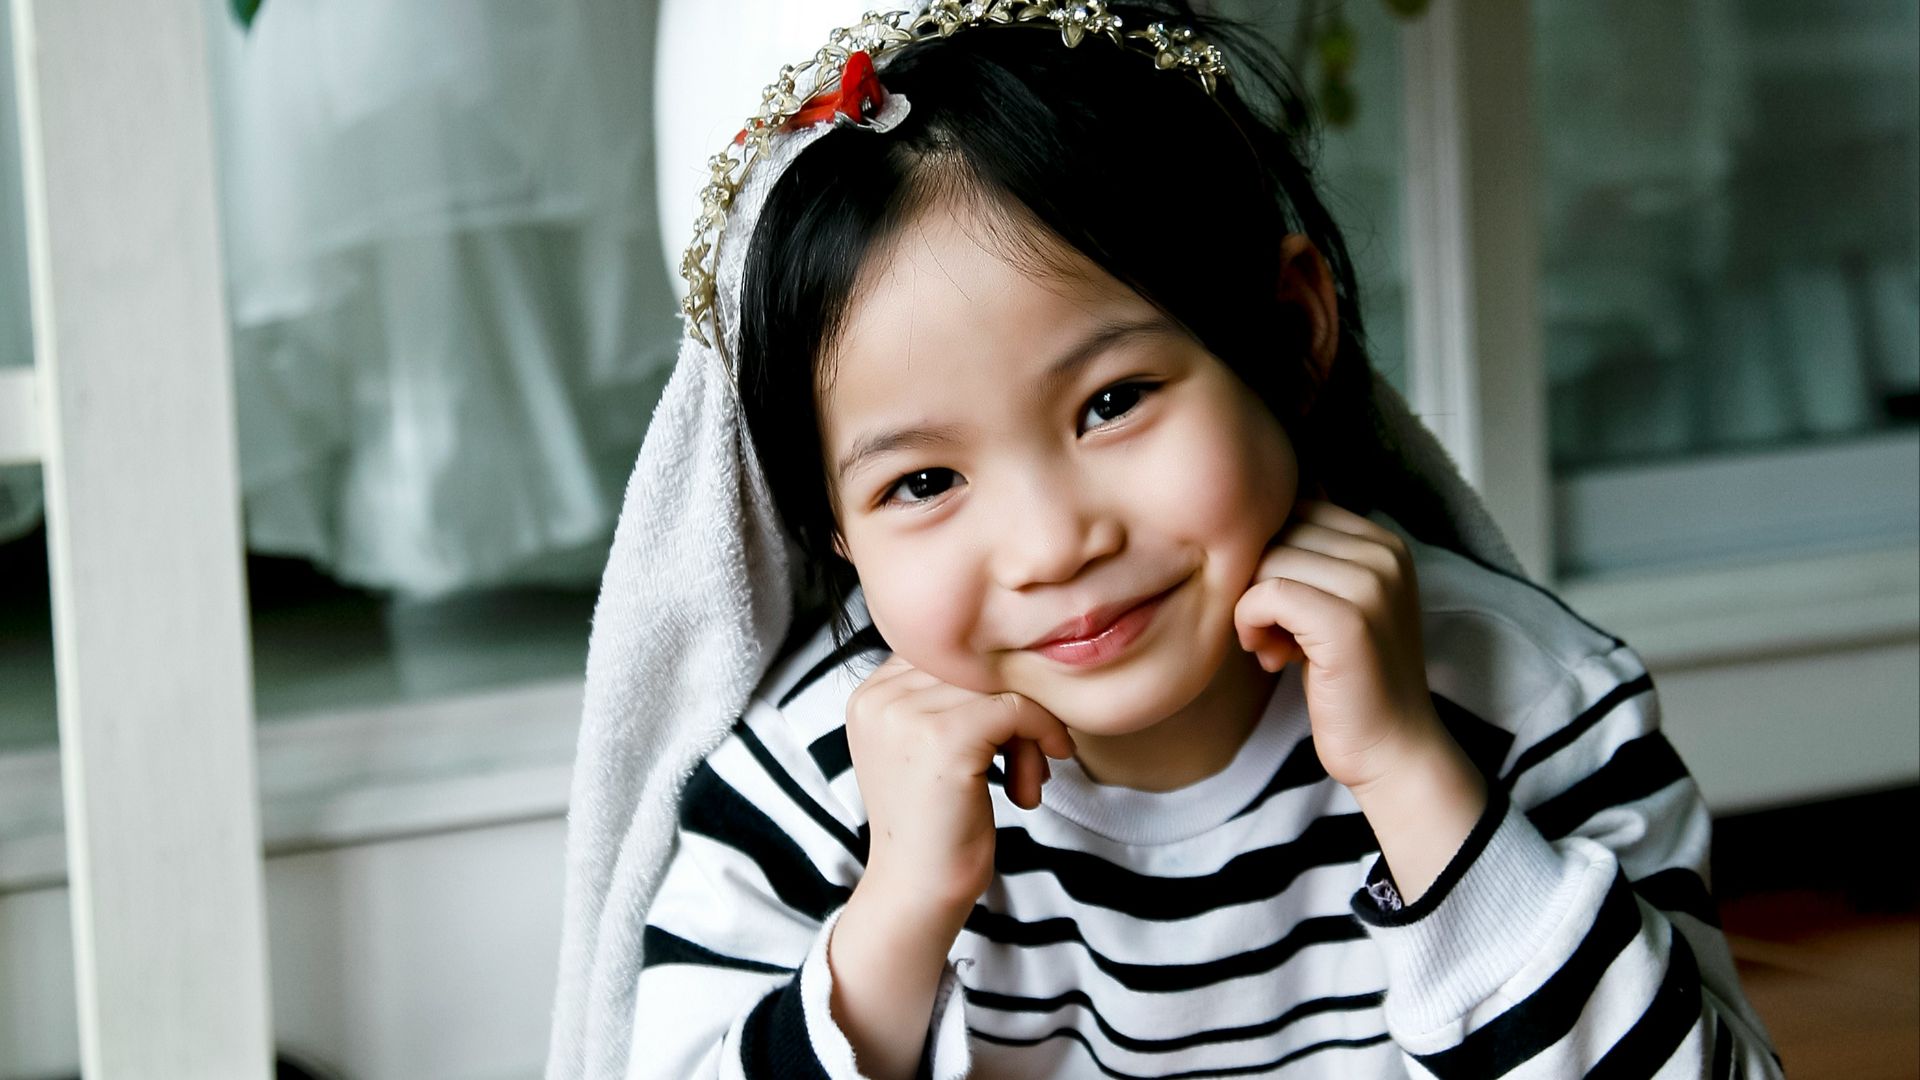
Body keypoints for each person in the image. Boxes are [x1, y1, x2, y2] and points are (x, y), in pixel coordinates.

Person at [545, 3, 1784, 1077]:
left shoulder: (1525, 700)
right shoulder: (818, 782)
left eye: (1113, 402)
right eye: (923, 480)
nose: (1052, 544)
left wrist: (1416, 778)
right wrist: (900, 912)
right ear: (828, 526)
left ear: (1292, 331)